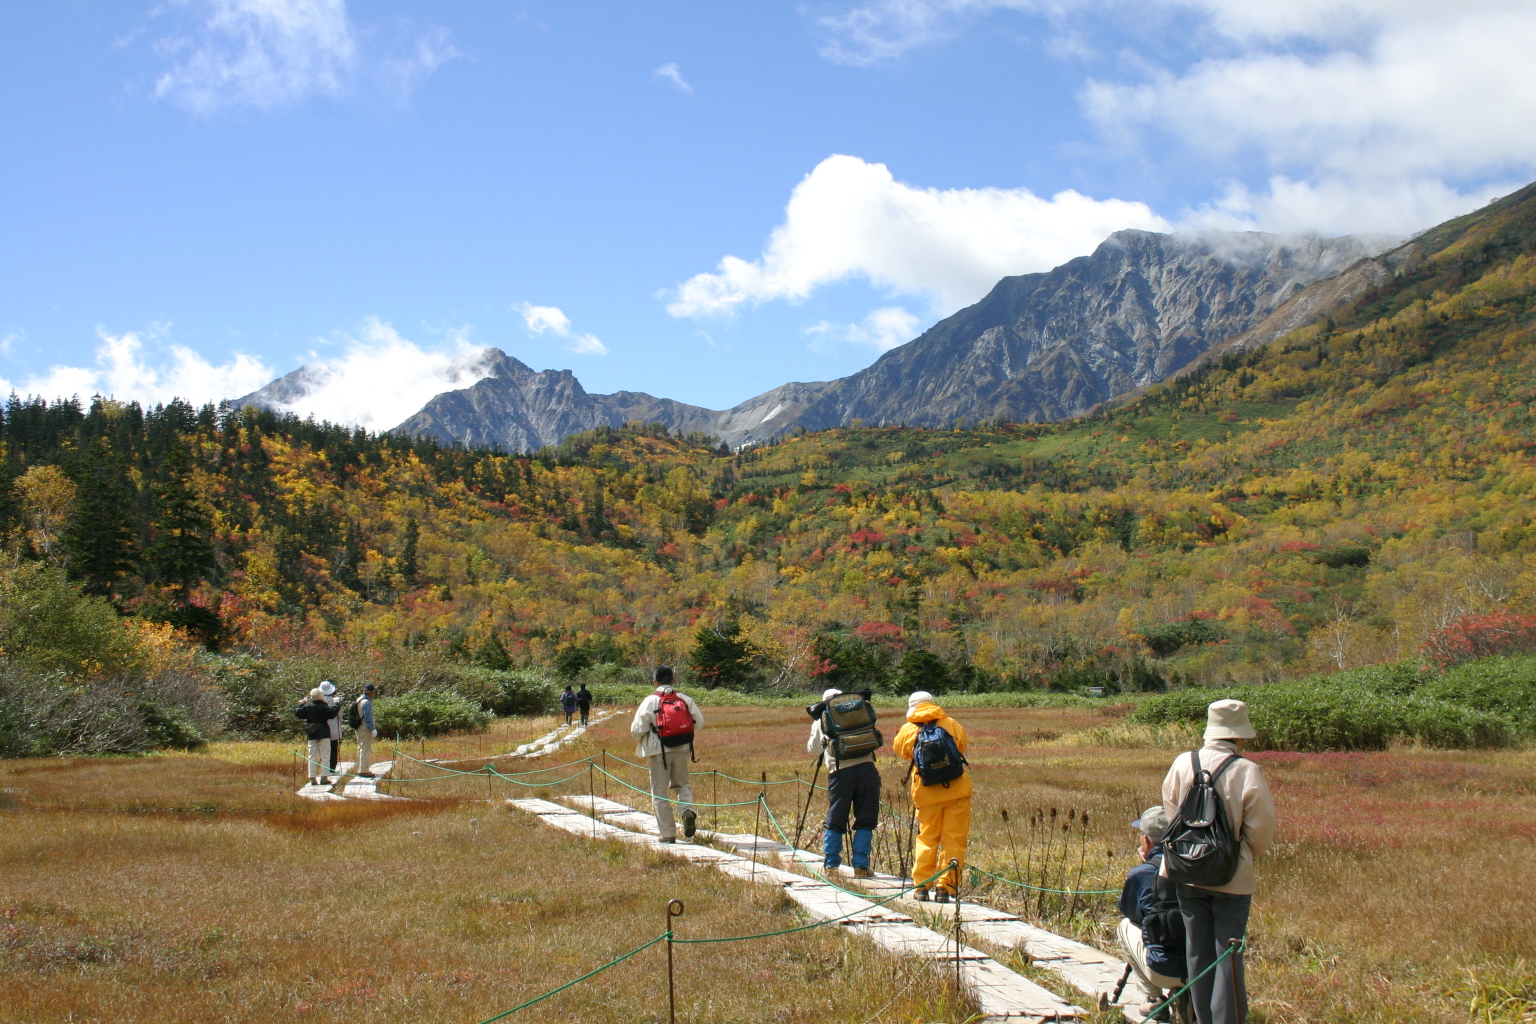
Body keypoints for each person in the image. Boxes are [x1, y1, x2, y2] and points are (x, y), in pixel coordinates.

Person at [1161, 700, 1277, 1024]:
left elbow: (1171, 811)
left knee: (1197, 952)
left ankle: (1202, 1019)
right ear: (1239, 735)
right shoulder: (1247, 770)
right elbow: (1262, 827)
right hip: (1232, 877)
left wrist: (1189, 851)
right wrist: (1241, 855)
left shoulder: (1183, 763)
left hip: (1186, 873)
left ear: (1210, 730)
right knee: (1228, 954)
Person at [892, 690, 971, 903]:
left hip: (926, 792)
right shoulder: (951, 724)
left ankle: (921, 887)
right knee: (954, 839)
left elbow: (901, 751)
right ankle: (946, 887)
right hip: (957, 789)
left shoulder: (908, 729)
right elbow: (961, 746)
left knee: (927, 838)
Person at [1117, 805, 1185, 1022]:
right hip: (1204, 965)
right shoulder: (1197, 866)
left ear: (1146, 841)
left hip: (1163, 968)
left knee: (1125, 926)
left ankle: (1154, 998)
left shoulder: (1142, 873)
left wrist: (1145, 867)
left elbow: (1129, 911)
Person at [807, 688, 882, 877]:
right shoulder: (858, 711)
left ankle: (832, 864)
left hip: (840, 772)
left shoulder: (821, 718)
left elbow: (813, 748)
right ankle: (861, 866)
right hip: (867, 768)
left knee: (836, 817)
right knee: (866, 818)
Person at [629, 666, 703, 843]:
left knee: (660, 792)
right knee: (682, 784)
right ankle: (687, 811)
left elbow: (637, 730)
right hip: (683, 747)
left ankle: (668, 834)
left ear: (655, 682)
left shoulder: (650, 701)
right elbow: (699, 722)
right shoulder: (684, 699)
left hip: (658, 750)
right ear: (673, 680)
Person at [294, 687, 339, 785]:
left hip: (312, 733)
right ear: (321, 696)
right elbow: (331, 714)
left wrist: (301, 703)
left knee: (312, 757)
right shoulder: (323, 706)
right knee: (325, 756)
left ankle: (312, 778)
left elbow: (298, 712)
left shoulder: (308, 707)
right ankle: (324, 777)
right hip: (324, 733)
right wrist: (337, 704)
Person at [353, 683, 378, 777]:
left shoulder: (359, 700)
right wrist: (373, 729)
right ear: (371, 692)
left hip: (358, 727)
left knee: (361, 748)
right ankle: (363, 770)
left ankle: (361, 768)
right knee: (365, 749)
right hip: (365, 728)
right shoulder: (366, 702)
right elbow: (368, 717)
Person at [319, 680, 343, 774]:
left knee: (324, 751)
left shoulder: (319, 701)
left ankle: (324, 769)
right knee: (333, 750)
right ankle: (331, 769)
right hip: (333, 729)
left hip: (322, 729)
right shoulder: (334, 701)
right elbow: (340, 715)